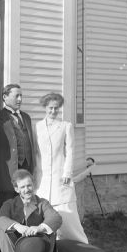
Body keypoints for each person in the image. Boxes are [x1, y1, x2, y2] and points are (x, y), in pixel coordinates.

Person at [34, 93, 89, 244]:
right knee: (44, 209)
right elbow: (36, 153)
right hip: (42, 176)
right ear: (45, 107)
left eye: (56, 109)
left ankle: (78, 243)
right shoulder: (37, 127)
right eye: (50, 108)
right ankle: (48, 243)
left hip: (60, 174)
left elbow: (70, 151)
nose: (53, 111)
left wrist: (67, 172)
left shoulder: (65, 126)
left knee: (66, 211)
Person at [0, 169, 62, 252]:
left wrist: (40, 227)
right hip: (17, 248)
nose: (27, 190)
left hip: (37, 248)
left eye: (29, 185)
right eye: (23, 187)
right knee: (1, 231)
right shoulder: (9, 204)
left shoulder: (42, 203)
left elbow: (56, 218)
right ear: (17, 189)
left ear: (34, 185)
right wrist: (17, 226)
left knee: (51, 230)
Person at [0, 83, 36, 204]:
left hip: (25, 172)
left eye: (21, 96)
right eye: (16, 96)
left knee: (25, 205)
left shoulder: (26, 117)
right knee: (7, 207)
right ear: (5, 97)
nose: (20, 99)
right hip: (5, 175)